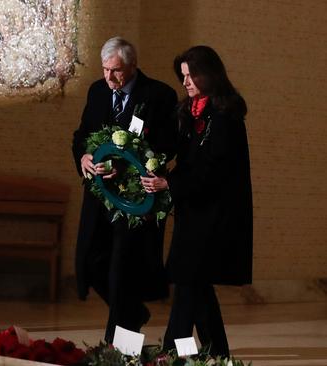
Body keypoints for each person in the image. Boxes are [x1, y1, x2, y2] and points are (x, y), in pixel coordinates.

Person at [141, 45, 252, 357]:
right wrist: (143, 153)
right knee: (197, 286)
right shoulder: (190, 111)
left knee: (189, 283)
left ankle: (168, 354)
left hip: (215, 215)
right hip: (193, 212)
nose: (185, 82)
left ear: (208, 74)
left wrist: (169, 182)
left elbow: (213, 170)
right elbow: (173, 148)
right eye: (183, 76)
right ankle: (219, 356)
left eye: (190, 75)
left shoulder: (226, 115)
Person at [71, 36, 178, 342]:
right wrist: (84, 156)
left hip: (135, 200)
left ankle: (116, 345)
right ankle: (132, 312)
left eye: (116, 70)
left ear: (132, 66)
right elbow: (81, 135)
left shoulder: (159, 95)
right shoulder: (96, 91)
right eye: (105, 69)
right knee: (90, 264)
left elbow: (168, 145)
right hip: (99, 196)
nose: (109, 77)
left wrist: (132, 165)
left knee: (122, 272)